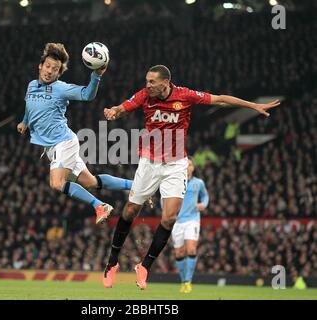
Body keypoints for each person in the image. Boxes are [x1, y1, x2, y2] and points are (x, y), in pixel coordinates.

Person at [102, 64, 280, 289]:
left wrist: (252, 105)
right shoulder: (144, 96)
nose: (147, 85)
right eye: (147, 81)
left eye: (151, 81)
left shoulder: (185, 95)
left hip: (176, 164)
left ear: (165, 82)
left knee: (169, 218)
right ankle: (112, 262)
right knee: (130, 210)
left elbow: (220, 100)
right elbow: (122, 107)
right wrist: (113, 111)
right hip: (149, 162)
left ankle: (145, 265)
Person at [17, 43, 133, 224]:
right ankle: (135, 186)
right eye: (47, 66)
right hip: (51, 147)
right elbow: (30, 107)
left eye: (54, 69)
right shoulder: (32, 86)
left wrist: (96, 75)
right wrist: (24, 122)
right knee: (91, 183)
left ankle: (99, 205)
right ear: (40, 66)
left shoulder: (60, 88)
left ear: (58, 73)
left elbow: (87, 95)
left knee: (56, 183)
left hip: (63, 142)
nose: (49, 71)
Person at [171, 157, 208, 293]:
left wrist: (203, 204)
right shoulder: (174, 182)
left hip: (192, 220)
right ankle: (183, 281)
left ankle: (188, 281)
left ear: (193, 168)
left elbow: (205, 196)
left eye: (190, 165)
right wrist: (167, 210)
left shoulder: (198, 183)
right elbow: (164, 199)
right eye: (185, 165)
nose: (187, 167)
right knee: (179, 252)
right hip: (177, 221)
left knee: (191, 249)